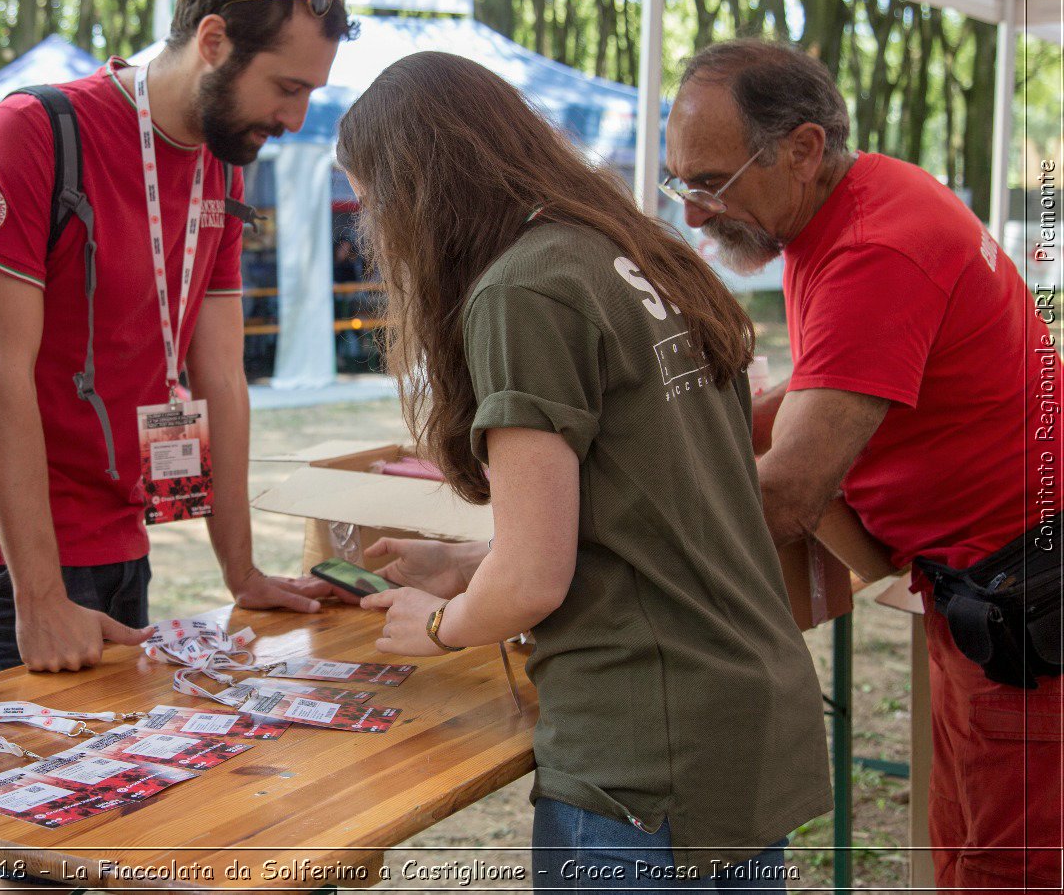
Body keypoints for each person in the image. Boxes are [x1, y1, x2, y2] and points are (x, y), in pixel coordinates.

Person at [320, 51, 833, 888]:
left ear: (418, 192)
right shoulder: (639, 256)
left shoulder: (522, 290)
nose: (374, 232)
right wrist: (463, 567)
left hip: (644, 750)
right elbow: (658, 508)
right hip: (742, 715)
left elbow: (532, 582)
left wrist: (440, 626)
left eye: (375, 204)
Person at [664, 38, 1060, 892]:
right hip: (986, 585)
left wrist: (624, 513)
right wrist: (692, 433)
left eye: (710, 182)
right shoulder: (850, 202)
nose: (693, 213)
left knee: (1010, 866)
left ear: (803, 149)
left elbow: (787, 498)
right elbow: (825, 389)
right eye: (682, 182)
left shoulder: (873, 248)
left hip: (1029, 594)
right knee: (960, 843)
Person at [0, 0, 355, 678]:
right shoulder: (34, 131)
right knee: (23, 790)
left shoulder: (221, 166)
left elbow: (220, 378)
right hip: (4, 552)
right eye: (288, 87)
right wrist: (40, 597)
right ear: (213, 40)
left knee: (128, 784)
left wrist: (241, 569)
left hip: (121, 531)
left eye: (310, 93)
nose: (295, 120)